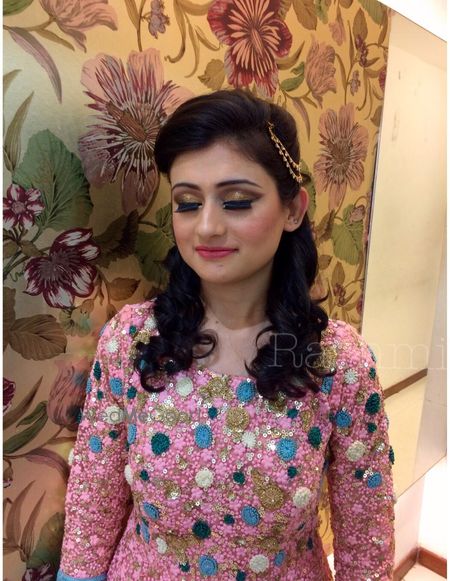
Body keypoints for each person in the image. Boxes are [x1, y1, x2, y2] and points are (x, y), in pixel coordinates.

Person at [56, 89, 395, 581]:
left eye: (237, 201)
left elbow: (366, 538)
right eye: (187, 203)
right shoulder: (132, 341)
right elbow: (93, 500)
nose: (207, 227)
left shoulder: (338, 363)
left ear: (293, 210)